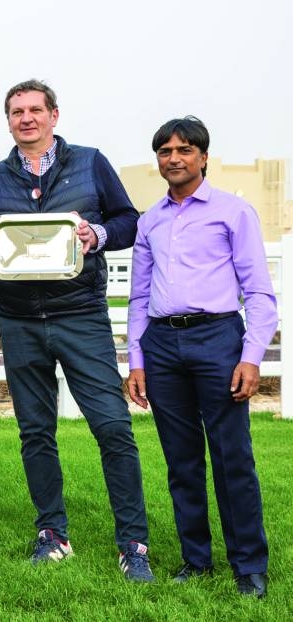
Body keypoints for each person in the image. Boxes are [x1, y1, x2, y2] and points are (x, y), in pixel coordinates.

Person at [0, 79, 153, 581]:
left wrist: (98, 234)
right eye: (16, 112)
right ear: (8, 120)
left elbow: (129, 221)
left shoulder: (90, 162)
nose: (25, 118)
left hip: (81, 316)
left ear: (54, 115)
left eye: (34, 110)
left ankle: (132, 545)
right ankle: (53, 534)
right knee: (35, 433)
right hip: (20, 320)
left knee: (113, 428)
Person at [127, 116, 275, 598]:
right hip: (163, 346)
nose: (174, 158)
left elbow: (259, 293)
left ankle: (248, 565)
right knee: (182, 461)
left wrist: (251, 356)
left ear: (204, 157)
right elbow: (138, 296)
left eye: (185, 150)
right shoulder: (150, 221)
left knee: (233, 457)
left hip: (218, 339)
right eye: (166, 151)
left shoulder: (234, 213)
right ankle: (196, 559)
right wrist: (136, 360)